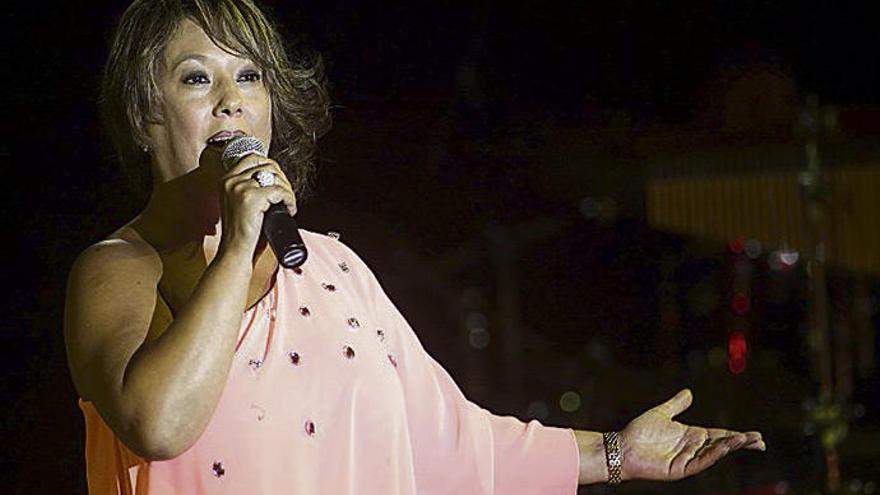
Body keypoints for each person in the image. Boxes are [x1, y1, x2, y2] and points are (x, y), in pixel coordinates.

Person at [63, 0, 765, 493]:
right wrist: (237, 240)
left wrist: (617, 454)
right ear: (142, 113)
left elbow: (452, 442)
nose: (231, 100)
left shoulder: (332, 267)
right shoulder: (119, 269)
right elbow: (156, 422)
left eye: (249, 76)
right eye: (196, 77)